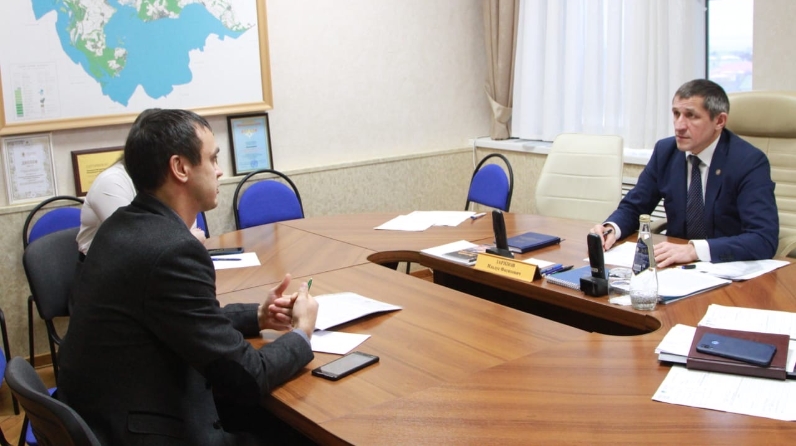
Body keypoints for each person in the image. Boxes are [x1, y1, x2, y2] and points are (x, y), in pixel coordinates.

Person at [58, 109, 318, 445]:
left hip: (104, 417)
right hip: (146, 432)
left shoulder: (121, 226)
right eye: (213, 159)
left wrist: (257, 315)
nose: (220, 171)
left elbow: (185, 319)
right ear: (180, 168)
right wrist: (302, 333)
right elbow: (247, 376)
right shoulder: (173, 251)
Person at [590, 79, 778, 267]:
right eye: (676, 114)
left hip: (726, 268)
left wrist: (694, 250)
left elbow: (763, 238)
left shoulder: (748, 161)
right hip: (675, 266)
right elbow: (634, 207)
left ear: (719, 121)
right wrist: (611, 228)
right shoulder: (666, 151)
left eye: (691, 116)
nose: (679, 125)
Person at [77, 109, 206, 256]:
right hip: (110, 265)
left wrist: (186, 239)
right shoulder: (111, 181)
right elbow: (136, 240)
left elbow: (185, 228)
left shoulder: (165, 178)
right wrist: (187, 239)